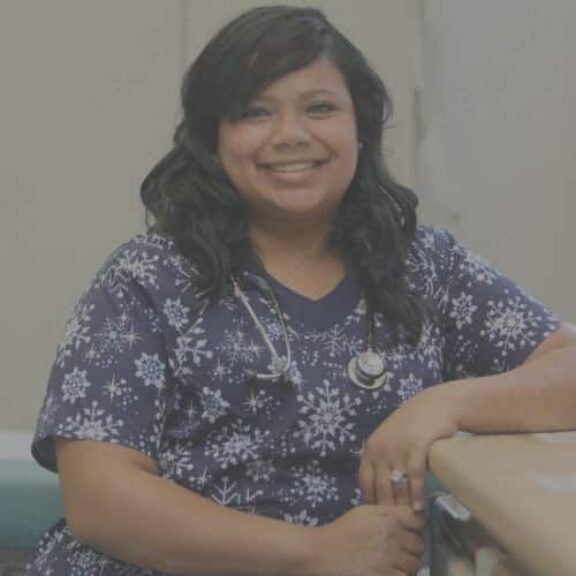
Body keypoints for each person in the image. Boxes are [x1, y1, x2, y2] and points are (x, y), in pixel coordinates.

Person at [27, 5, 576, 576]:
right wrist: (313, 553)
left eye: (319, 108)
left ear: (360, 129)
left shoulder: (424, 266)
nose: (290, 136)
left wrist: (441, 404)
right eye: (255, 113)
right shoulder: (146, 278)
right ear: (214, 140)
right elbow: (99, 500)